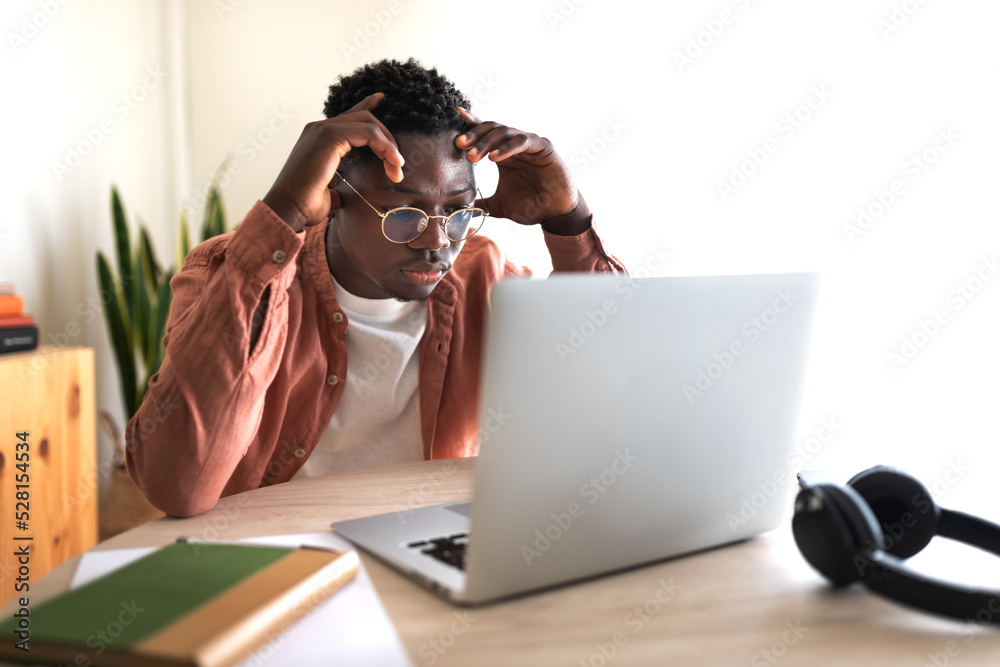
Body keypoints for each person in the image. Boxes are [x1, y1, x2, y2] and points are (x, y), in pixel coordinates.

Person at [126, 58, 625, 517]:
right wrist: (283, 212)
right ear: (334, 194)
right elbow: (178, 486)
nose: (437, 242)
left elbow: (612, 406)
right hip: (269, 559)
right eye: (404, 214)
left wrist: (568, 219)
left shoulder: (484, 277)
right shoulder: (228, 270)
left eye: (457, 212)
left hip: (422, 551)